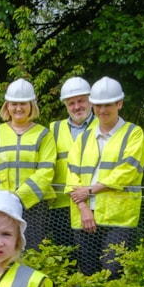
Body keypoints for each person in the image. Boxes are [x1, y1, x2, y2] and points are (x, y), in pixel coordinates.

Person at [66, 77, 144, 287]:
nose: (102, 110)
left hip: (118, 216)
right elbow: (72, 175)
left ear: (119, 103)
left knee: (113, 271)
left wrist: (90, 191)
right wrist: (83, 208)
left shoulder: (133, 133)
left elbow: (128, 171)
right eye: (98, 105)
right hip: (84, 214)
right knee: (88, 271)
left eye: (108, 105)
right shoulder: (83, 138)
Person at [0, 80, 57, 251]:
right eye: (14, 103)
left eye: (23, 103)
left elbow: (46, 169)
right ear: (7, 106)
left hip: (33, 206)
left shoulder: (44, 135)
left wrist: (20, 197)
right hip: (0, 205)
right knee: (1, 248)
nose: (19, 108)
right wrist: (2, 197)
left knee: (31, 251)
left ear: (31, 105)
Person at [46, 77, 93, 247]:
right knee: (65, 256)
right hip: (61, 205)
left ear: (91, 100)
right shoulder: (54, 129)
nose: (77, 106)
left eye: (81, 101)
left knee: (90, 257)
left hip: (93, 203)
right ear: (65, 105)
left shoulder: (102, 126)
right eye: (71, 103)